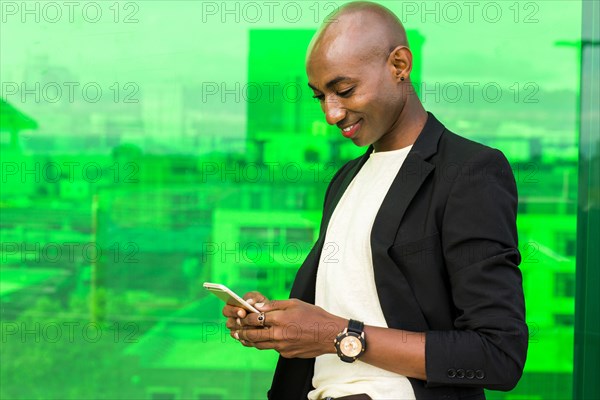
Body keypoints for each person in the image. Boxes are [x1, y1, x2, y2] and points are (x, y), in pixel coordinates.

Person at [222, 2, 528, 399]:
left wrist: (342, 336)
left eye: (344, 90)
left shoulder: (469, 171)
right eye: (319, 97)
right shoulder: (346, 178)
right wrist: (277, 322)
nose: (331, 113)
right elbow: (341, 310)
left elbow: (497, 354)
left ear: (399, 65)